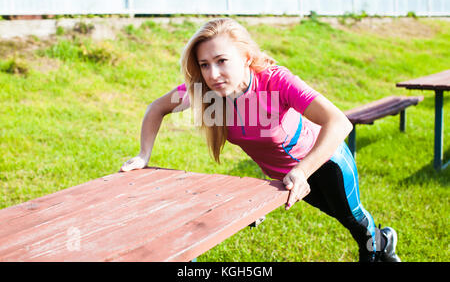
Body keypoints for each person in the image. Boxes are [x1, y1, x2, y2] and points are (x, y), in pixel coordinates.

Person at [120, 18, 400, 262]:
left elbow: (339, 122)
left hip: (326, 162)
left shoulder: (275, 82)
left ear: (245, 57)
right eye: (205, 65)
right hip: (287, 176)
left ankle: (382, 244)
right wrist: (144, 155)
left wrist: (302, 171)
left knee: (352, 221)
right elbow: (156, 108)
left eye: (221, 61)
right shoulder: (205, 92)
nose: (213, 74)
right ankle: (382, 243)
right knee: (337, 216)